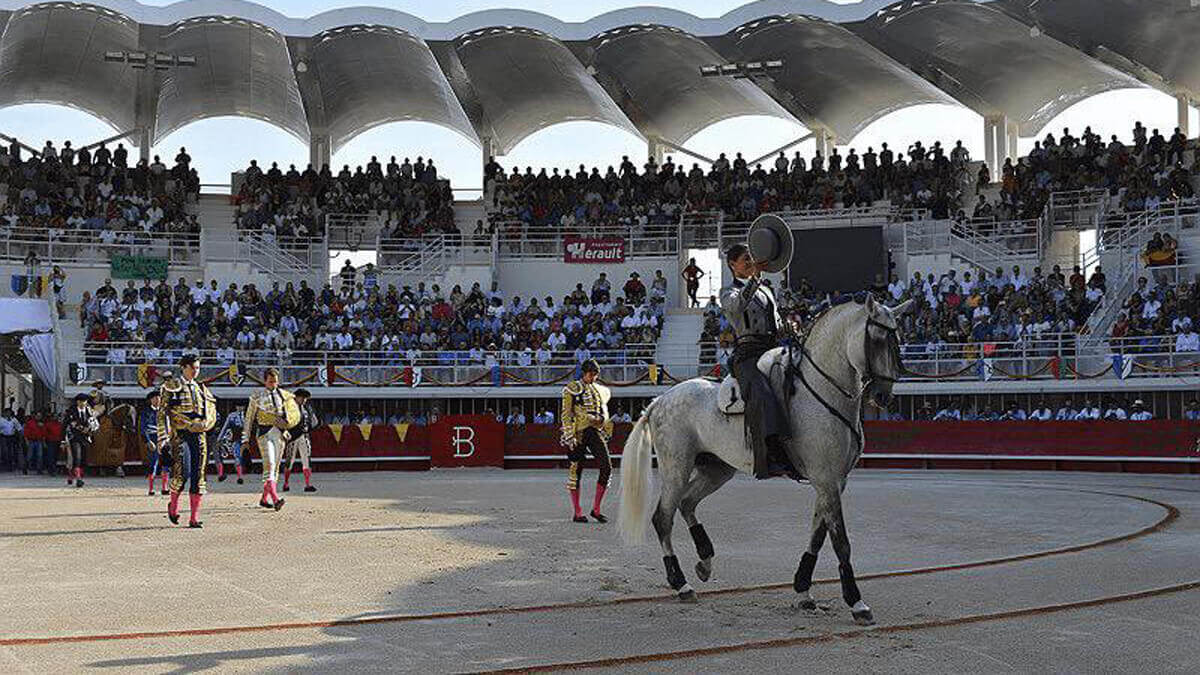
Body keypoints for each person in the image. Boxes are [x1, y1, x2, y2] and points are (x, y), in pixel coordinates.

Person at [719, 243, 793, 480]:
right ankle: (769, 454)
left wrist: (788, 327)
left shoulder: (766, 291)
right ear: (732, 265)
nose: (751, 263)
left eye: (752, 258)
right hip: (748, 353)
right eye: (745, 260)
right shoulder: (727, 292)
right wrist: (755, 279)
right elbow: (738, 305)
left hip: (773, 348)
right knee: (760, 392)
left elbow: (776, 322)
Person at [161, 354, 217, 527]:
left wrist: (205, 424)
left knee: (198, 475)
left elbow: (211, 411)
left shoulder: (201, 388)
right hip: (181, 434)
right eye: (192, 368)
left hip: (199, 434)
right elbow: (162, 413)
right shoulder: (172, 386)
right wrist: (163, 438)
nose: (195, 371)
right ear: (183, 367)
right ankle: (173, 507)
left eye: (198, 368)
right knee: (182, 473)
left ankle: (193, 517)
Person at [560, 359, 613, 523]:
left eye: (596, 375)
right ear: (584, 373)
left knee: (607, 467)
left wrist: (601, 419)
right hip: (579, 432)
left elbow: (602, 411)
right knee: (576, 471)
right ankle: (577, 512)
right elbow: (566, 414)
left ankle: (596, 510)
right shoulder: (572, 388)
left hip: (594, 431)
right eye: (591, 374)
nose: (594, 378)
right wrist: (569, 436)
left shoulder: (596, 390)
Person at [244, 368, 299, 511]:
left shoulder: (284, 396)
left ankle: (264, 499)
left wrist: (286, 427)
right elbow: (249, 419)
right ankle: (275, 499)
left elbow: (289, 416)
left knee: (274, 468)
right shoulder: (256, 396)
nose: (273, 384)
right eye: (270, 381)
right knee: (270, 464)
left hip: (279, 434)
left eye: (275, 381)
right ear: (265, 381)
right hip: (264, 433)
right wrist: (245, 440)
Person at [282, 388, 319, 493]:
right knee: (290, 461)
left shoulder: (307, 408)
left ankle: (308, 484)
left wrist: (309, 429)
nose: (304, 400)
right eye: (302, 397)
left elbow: (314, 422)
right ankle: (286, 483)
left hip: (304, 436)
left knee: (306, 460)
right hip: (293, 437)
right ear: (296, 397)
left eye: (305, 398)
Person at [62, 394, 96, 487]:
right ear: (78, 402)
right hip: (74, 437)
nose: (83, 403)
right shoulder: (71, 411)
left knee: (84, 459)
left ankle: (71, 475)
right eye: (81, 401)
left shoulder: (89, 410)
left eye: (85, 401)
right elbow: (64, 426)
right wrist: (62, 440)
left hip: (85, 438)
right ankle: (79, 479)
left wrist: (89, 429)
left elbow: (93, 422)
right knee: (77, 457)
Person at [140, 390, 170, 496]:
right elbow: (143, 428)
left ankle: (164, 488)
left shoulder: (164, 411)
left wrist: (168, 439)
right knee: (153, 463)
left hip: (164, 439)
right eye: (154, 398)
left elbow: (168, 426)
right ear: (151, 400)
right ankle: (151, 489)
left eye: (158, 398)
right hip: (153, 438)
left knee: (166, 464)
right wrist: (148, 441)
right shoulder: (146, 412)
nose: (157, 400)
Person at [215, 407, 246, 484]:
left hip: (243, 438)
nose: (240, 408)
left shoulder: (247, 414)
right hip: (235, 438)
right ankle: (239, 477)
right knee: (237, 456)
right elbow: (225, 427)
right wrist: (220, 438)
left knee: (238, 457)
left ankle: (239, 476)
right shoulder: (232, 416)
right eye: (238, 406)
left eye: (242, 406)